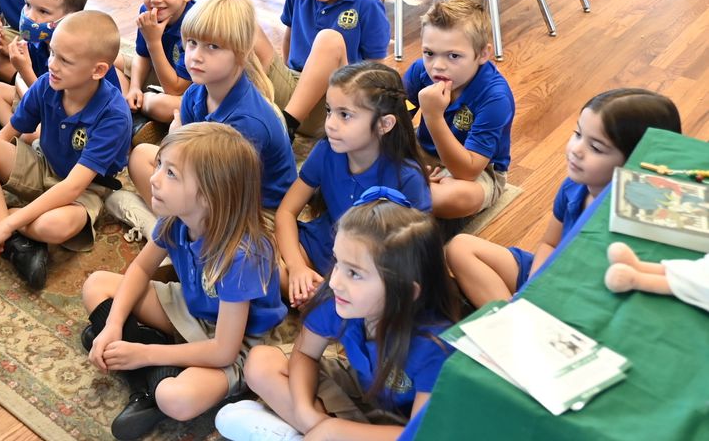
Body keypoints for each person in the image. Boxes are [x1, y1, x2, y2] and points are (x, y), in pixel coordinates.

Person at [82, 122, 286, 441]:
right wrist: (113, 325)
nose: (154, 178)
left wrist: (144, 353)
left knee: (175, 398)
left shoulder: (242, 255)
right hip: (191, 309)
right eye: (160, 164)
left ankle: (147, 373)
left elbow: (223, 351)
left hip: (236, 340)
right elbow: (139, 270)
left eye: (171, 173)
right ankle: (147, 364)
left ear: (209, 196)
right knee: (96, 285)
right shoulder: (174, 216)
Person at [217, 191, 460, 441]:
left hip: (404, 429)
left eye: (354, 273)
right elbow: (304, 353)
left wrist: (332, 431)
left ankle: (295, 433)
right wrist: (306, 413)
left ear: (406, 292)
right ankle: (305, 431)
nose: (334, 281)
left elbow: (422, 435)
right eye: (337, 262)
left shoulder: (434, 347)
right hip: (359, 399)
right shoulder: (340, 300)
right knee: (260, 363)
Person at [449, 89, 682, 308]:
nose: (576, 150)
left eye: (597, 148)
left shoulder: (638, 218)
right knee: (459, 246)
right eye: (578, 134)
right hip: (553, 274)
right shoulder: (574, 187)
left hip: (588, 295)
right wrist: (532, 289)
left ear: (635, 164)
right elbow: (549, 244)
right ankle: (511, 317)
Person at [0, 10, 131, 290]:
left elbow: (74, 187)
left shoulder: (114, 115)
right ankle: (12, 237)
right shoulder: (46, 85)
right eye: (52, 53)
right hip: (41, 162)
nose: (52, 65)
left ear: (98, 71)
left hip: (84, 189)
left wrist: (9, 222)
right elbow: (11, 131)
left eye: (65, 60)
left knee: (56, 227)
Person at [126, 0, 296, 239]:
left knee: (183, 196)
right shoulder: (196, 91)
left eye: (212, 47)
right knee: (141, 156)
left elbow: (225, 193)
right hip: (208, 177)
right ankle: (173, 234)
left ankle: (169, 236)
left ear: (241, 53)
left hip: (254, 208)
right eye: (192, 43)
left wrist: (175, 138)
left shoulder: (248, 122)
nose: (196, 55)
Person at [276, 62, 432, 307]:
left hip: (368, 268)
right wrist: (296, 268)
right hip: (320, 246)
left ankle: (326, 305)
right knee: (258, 263)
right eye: (329, 110)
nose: (330, 123)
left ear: (385, 124)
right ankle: (321, 303)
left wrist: (350, 283)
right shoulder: (326, 150)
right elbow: (286, 211)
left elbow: (414, 256)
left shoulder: (407, 178)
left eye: (345, 115)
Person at [268, 0, 387, 140]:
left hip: (336, 102)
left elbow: (376, 68)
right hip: (294, 87)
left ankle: (287, 127)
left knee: (329, 39)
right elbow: (289, 37)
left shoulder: (368, 4)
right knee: (246, 28)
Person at [404, 0, 515, 219]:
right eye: (429, 53)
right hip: (424, 149)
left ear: (483, 54)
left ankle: (400, 187)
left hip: (476, 170)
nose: (437, 66)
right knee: (361, 141)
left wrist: (433, 117)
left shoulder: (495, 97)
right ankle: (410, 187)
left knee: (454, 198)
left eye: (453, 56)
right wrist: (408, 160)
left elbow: (467, 171)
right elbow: (395, 118)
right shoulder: (420, 71)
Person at [0, 0, 119, 131]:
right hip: (49, 106)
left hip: (77, 123)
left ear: (70, 18)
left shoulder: (82, 54)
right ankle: (16, 135)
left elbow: (52, 100)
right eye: (27, 4)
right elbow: (38, 92)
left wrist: (25, 70)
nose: (29, 16)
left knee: (31, 130)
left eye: (43, 11)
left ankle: (25, 139)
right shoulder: (37, 43)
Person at [116, 0, 197, 144]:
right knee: (106, 58)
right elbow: (142, 56)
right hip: (161, 71)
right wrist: (135, 87)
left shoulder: (194, 25)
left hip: (186, 89)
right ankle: (132, 105)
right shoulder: (147, 10)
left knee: (158, 103)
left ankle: (136, 113)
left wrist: (153, 41)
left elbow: (175, 89)